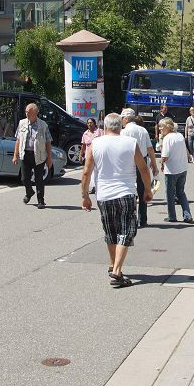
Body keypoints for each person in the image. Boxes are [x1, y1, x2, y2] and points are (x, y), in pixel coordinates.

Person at [81, 113, 153, 288]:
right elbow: (143, 169)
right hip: (125, 193)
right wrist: (148, 190)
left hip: (104, 195)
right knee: (125, 231)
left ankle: (113, 264)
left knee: (111, 231)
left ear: (105, 127)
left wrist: (85, 196)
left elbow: (86, 172)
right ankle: (117, 271)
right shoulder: (130, 143)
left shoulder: (95, 144)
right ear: (120, 126)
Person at [121, 109, 158, 227]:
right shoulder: (143, 130)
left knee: (129, 191)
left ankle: (131, 218)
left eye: (122, 118)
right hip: (142, 162)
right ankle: (143, 219)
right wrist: (154, 163)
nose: (121, 121)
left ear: (126, 119)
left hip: (128, 164)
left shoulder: (123, 132)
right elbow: (150, 148)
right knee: (143, 190)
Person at [12, 103, 53, 209]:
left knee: (39, 179)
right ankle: (29, 192)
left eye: (28, 112)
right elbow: (18, 140)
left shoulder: (43, 125)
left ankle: (41, 201)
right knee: (24, 179)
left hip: (39, 156)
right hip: (25, 154)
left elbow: (48, 142)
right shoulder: (22, 123)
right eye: (26, 112)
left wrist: (49, 158)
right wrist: (15, 155)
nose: (26, 114)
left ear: (35, 113)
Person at [158, 118, 193, 223]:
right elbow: (184, 149)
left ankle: (172, 216)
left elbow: (165, 156)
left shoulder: (167, 138)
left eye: (161, 127)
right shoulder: (179, 135)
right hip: (182, 168)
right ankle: (187, 215)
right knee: (181, 193)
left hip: (172, 170)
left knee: (170, 194)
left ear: (168, 127)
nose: (160, 129)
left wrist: (162, 163)